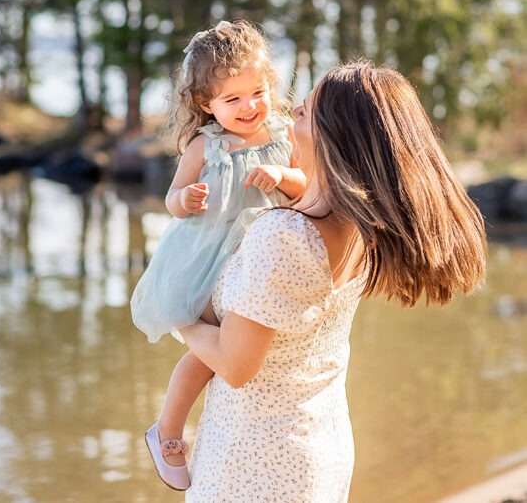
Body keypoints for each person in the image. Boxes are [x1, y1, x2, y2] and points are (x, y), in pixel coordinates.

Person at [178, 60, 487, 502]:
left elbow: (234, 364)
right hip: (317, 447)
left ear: (333, 135)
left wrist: (176, 314)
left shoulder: (283, 233)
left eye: (301, 113)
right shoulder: (360, 226)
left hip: (254, 465)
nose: (287, 121)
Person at [130, 20, 306, 490]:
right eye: (232, 99)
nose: (249, 107)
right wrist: (184, 201)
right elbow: (172, 198)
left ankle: (180, 428)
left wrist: (282, 176)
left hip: (259, 258)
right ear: (207, 104)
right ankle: (167, 430)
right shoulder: (204, 146)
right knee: (210, 349)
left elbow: (307, 186)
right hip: (207, 259)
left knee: (233, 347)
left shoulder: (285, 134)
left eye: (257, 92)